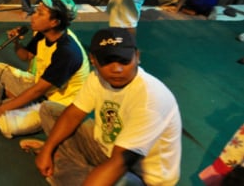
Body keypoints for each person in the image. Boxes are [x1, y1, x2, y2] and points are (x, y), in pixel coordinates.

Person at [33, 27, 182, 186]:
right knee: (49, 110)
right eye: (107, 61)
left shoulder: (151, 99)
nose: (116, 69)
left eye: (124, 61)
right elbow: (73, 114)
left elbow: (121, 162)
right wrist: (47, 149)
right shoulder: (96, 78)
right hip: (105, 150)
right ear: (93, 60)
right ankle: (69, 166)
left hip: (138, 175)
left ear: (137, 57)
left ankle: (67, 167)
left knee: (115, 181)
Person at [0, 0, 90, 138]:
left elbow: (37, 91)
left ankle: (3, 110)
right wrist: (16, 42)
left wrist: (2, 110)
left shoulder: (67, 52)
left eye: (40, 13)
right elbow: (25, 56)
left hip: (57, 105)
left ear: (54, 22)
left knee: (7, 125)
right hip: (41, 88)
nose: (33, 15)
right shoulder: (44, 33)